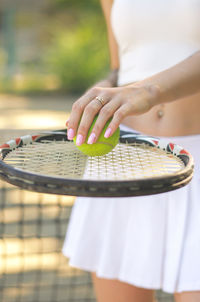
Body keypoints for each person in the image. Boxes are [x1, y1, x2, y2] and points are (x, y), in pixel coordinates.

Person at [63, 0, 200, 301]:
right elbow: (121, 64)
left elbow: (145, 83)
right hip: (122, 163)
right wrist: (105, 87)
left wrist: (148, 90)